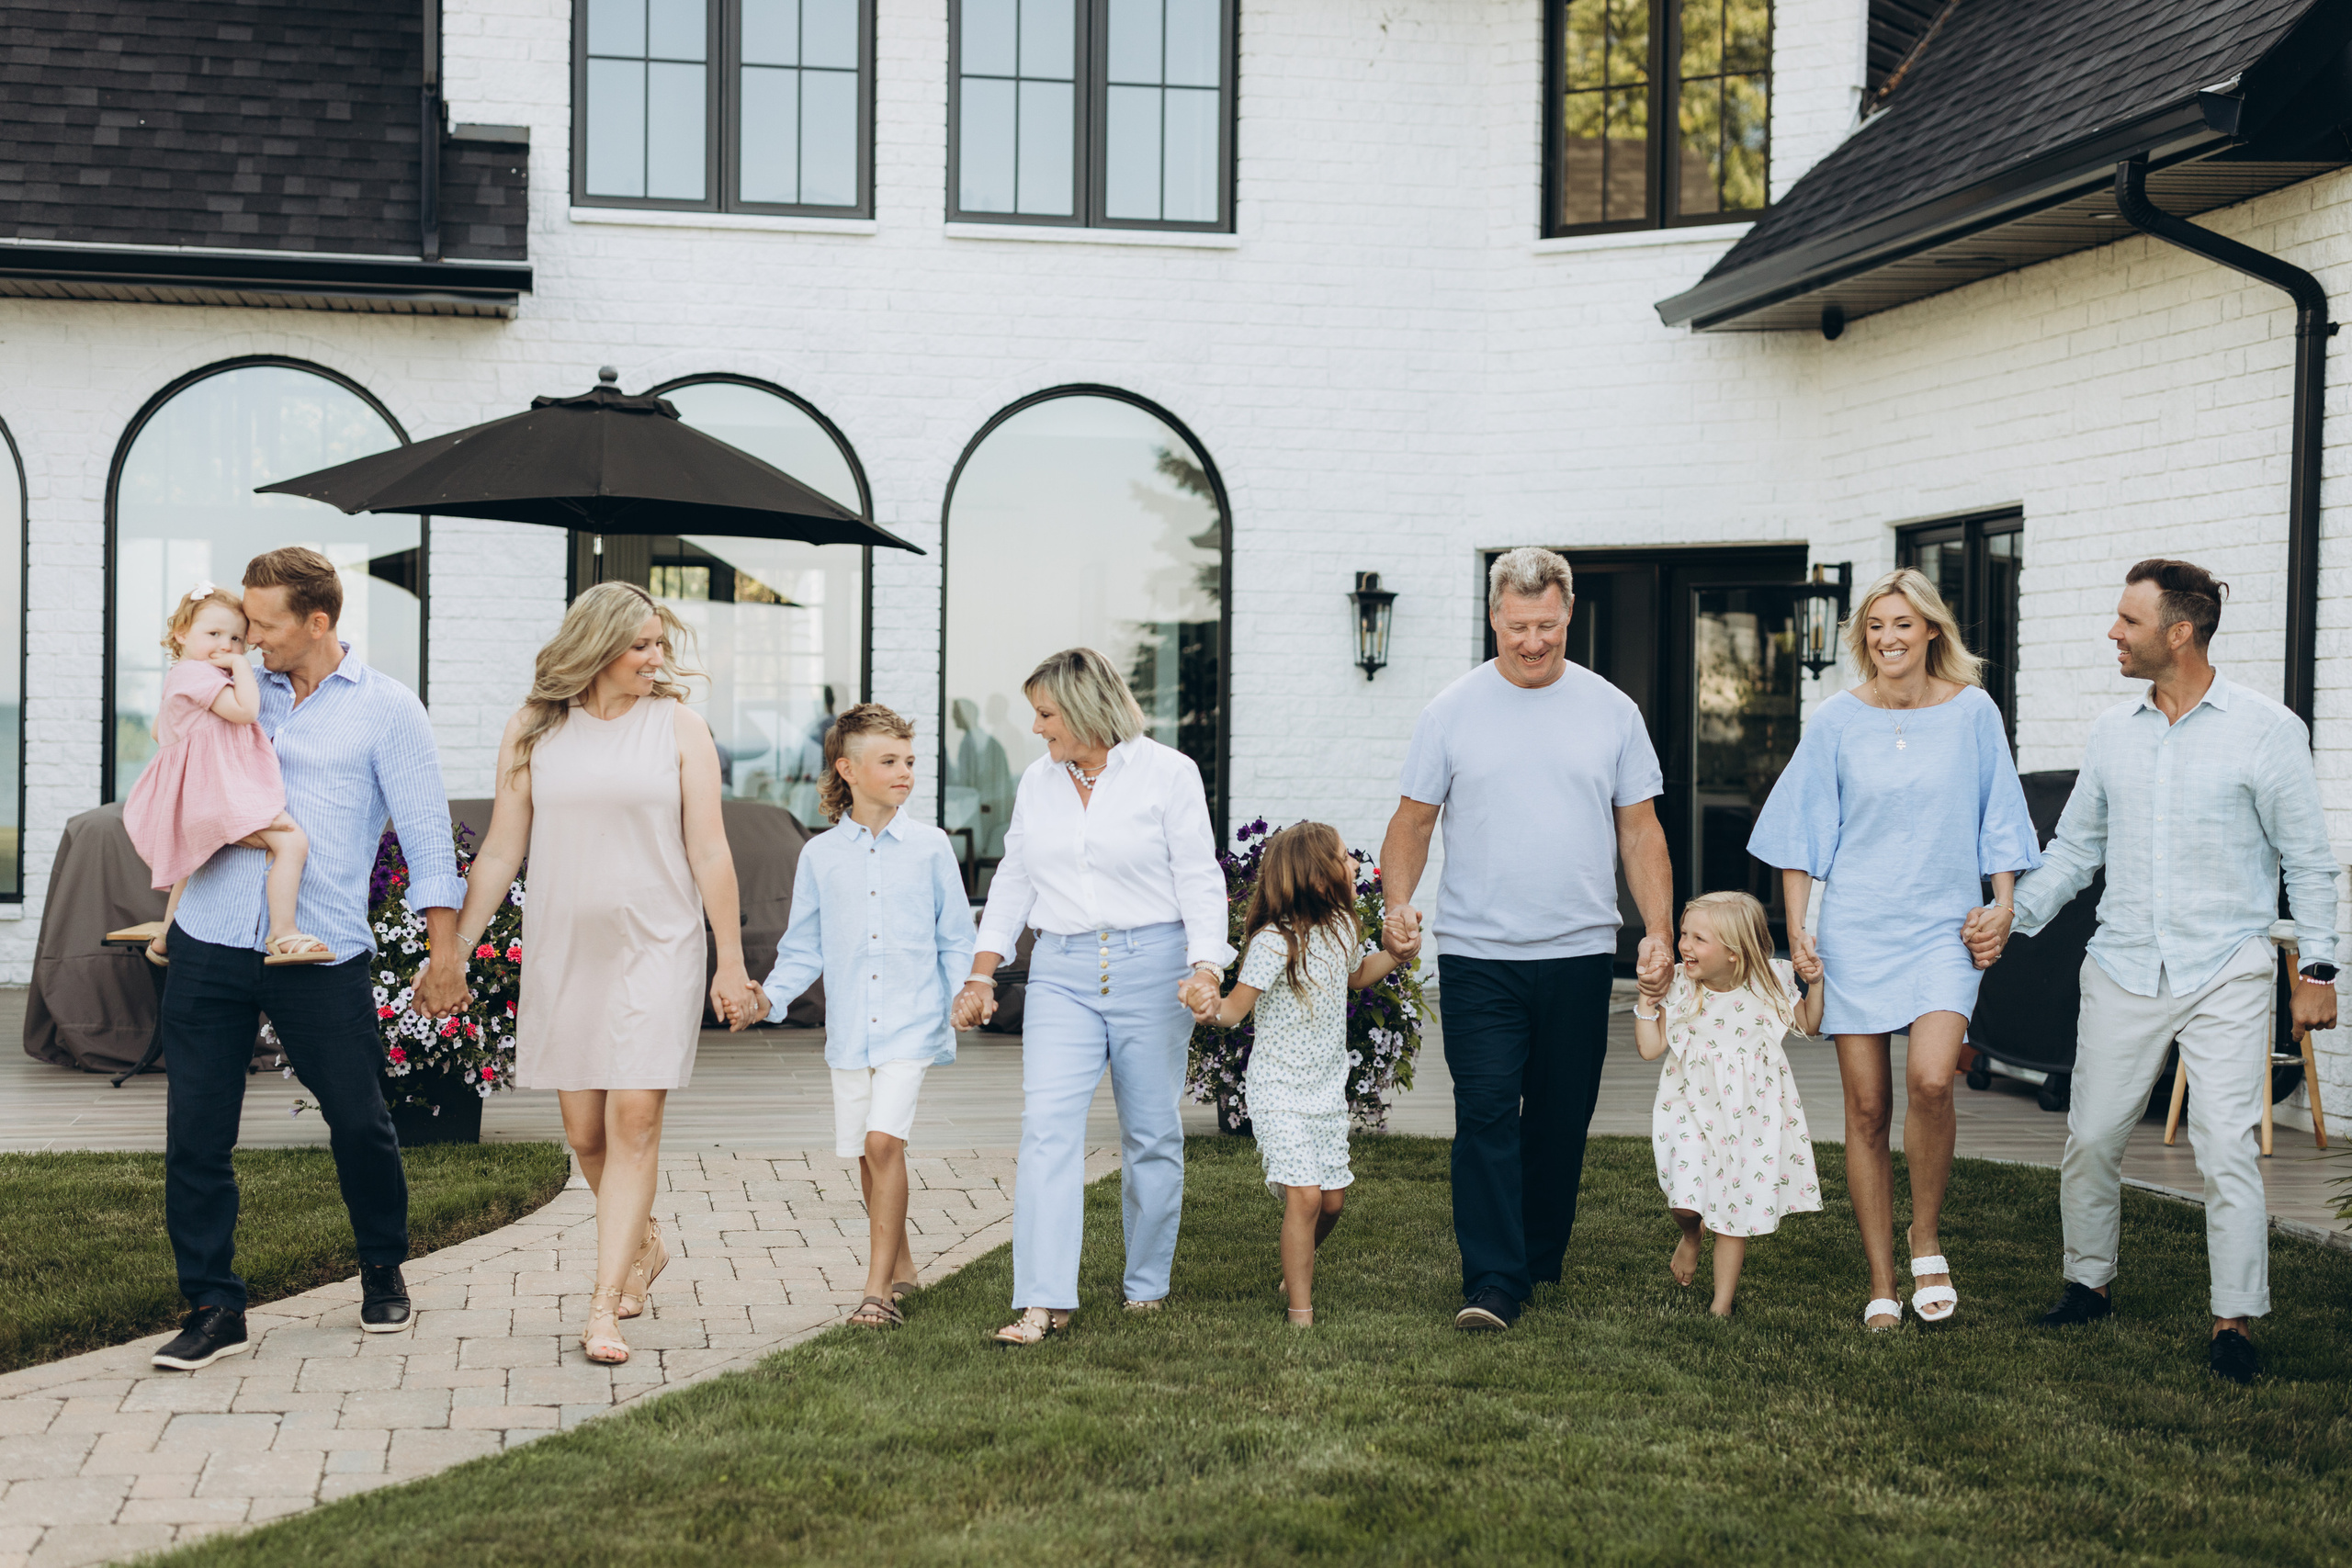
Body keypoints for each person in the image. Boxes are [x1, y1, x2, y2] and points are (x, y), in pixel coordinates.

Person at [1983, 559, 2338, 1385]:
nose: (2113, 632)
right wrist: (2012, 918)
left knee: (2225, 1149)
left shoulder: (2267, 729)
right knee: (2093, 1136)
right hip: (2124, 963)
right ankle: (2087, 1283)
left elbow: (2310, 863)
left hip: (2229, 969)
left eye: (2128, 621)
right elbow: (2075, 850)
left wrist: (2317, 970)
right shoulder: (2113, 732)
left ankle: (2234, 1322)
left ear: (2180, 632)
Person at [150, 547, 473, 1372]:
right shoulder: (226, 692)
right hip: (213, 938)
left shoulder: (387, 709)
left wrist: (446, 953)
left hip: (320, 948)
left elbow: (428, 835)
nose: (247, 637)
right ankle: (214, 1304)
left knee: (361, 1120)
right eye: (241, 621)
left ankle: (381, 1264)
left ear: (317, 621)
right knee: (195, 1132)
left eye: (263, 622)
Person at [446, 582, 763, 1367]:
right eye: (642, 646)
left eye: (660, 644)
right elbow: (499, 851)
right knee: (586, 1132)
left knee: (633, 1122)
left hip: (659, 944)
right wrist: (451, 949)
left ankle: (603, 1304)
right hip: (566, 950)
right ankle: (645, 1242)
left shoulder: (681, 729)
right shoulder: (534, 728)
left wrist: (731, 959)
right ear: (595, 648)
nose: (657, 660)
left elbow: (711, 851)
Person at [1380, 547, 1674, 1334]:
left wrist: (1660, 933)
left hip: (1578, 953)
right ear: (1493, 618)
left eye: (1547, 625)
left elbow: (1640, 831)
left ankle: (1539, 1253)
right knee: (1483, 1111)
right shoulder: (1451, 711)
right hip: (1478, 954)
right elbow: (1413, 820)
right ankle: (1494, 1279)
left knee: (1557, 1117)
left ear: (1569, 614)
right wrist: (1397, 903)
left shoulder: (1612, 711)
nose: (1534, 641)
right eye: (1518, 627)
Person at [1747, 567, 2039, 1330]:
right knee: (1869, 1105)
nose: (1888, 639)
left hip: (1944, 926)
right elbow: (1799, 832)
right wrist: (1799, 929)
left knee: (1933, 1079)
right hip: (1856, 928)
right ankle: (1880, 1278)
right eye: (1876, 627)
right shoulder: (1836, 720)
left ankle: (1926, 1235)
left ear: (1932, 630)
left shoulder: (1973, 711)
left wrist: (2001, 905)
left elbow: (1999, 817)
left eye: (1903, 625)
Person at [950, 648, 1230, 1347]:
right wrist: (981, 973)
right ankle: (1043, 1301)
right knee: (1046, 1128)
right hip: (1062, 970)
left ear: (1083, 709)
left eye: (1046, 713)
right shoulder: (1037, 783)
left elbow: (1198, 874)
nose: (1038, 728)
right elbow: (1014, 878)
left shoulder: (1169, 774)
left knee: (1151, 1133)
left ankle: (1147, 1287)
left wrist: (1207, 965)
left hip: (1153, 964)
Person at [750, 704, 970, 1329]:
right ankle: (902, 1266)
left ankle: (876, 1291)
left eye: (909, 761)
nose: (904, 772)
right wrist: (769, 997)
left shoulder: (930, 847)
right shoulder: (820, 856)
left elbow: (955, 936)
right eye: (889, 761)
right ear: (846, 769)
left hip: (914, 1022)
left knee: (882, 1141)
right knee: (868, 1155)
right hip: (850, 1032)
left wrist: (963, 992)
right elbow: (802, 946)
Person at [1185, 821, 1403, 1328]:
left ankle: (1296, 1264)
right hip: (1278, 1090)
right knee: (1304, 1197)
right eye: (1345, 857)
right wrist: (1205, 1007)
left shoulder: (1343, 929)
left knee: (1331, 1203)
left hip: (1325, 1089)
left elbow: (1353, 976)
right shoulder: (1272, 942)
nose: (1354, 865)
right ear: (1316, 874)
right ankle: (1299, 1311)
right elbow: (1233, 1013)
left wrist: (1394, 955)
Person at [1633, 890, 1825, 1319]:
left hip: (1748, 1115)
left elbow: (1809, 1024)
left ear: (1735, 953)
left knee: (1730, 1208)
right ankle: (1690, 1235)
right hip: (1689, 1107)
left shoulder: (1770, 982)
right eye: (1684, 934)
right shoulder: (1680, 984)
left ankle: (1721, 1306)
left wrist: (1816, 983)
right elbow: (1649, 1049)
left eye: (1698, 938)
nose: (1684, 946)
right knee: (1684, 1201)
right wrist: (1647, 1004)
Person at [124, 582, 329, 967]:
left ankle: (167, 935)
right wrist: (239, 668)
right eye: (213, 634)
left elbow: (157, 731)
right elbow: (246, 711)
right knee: (291, 843)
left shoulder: (181, 677)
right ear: (182, 633)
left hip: (195, 799)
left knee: (192, 862)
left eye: (236, 638)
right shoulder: (201, 675)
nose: (226, 645)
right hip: (220, 794)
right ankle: (282, 931)